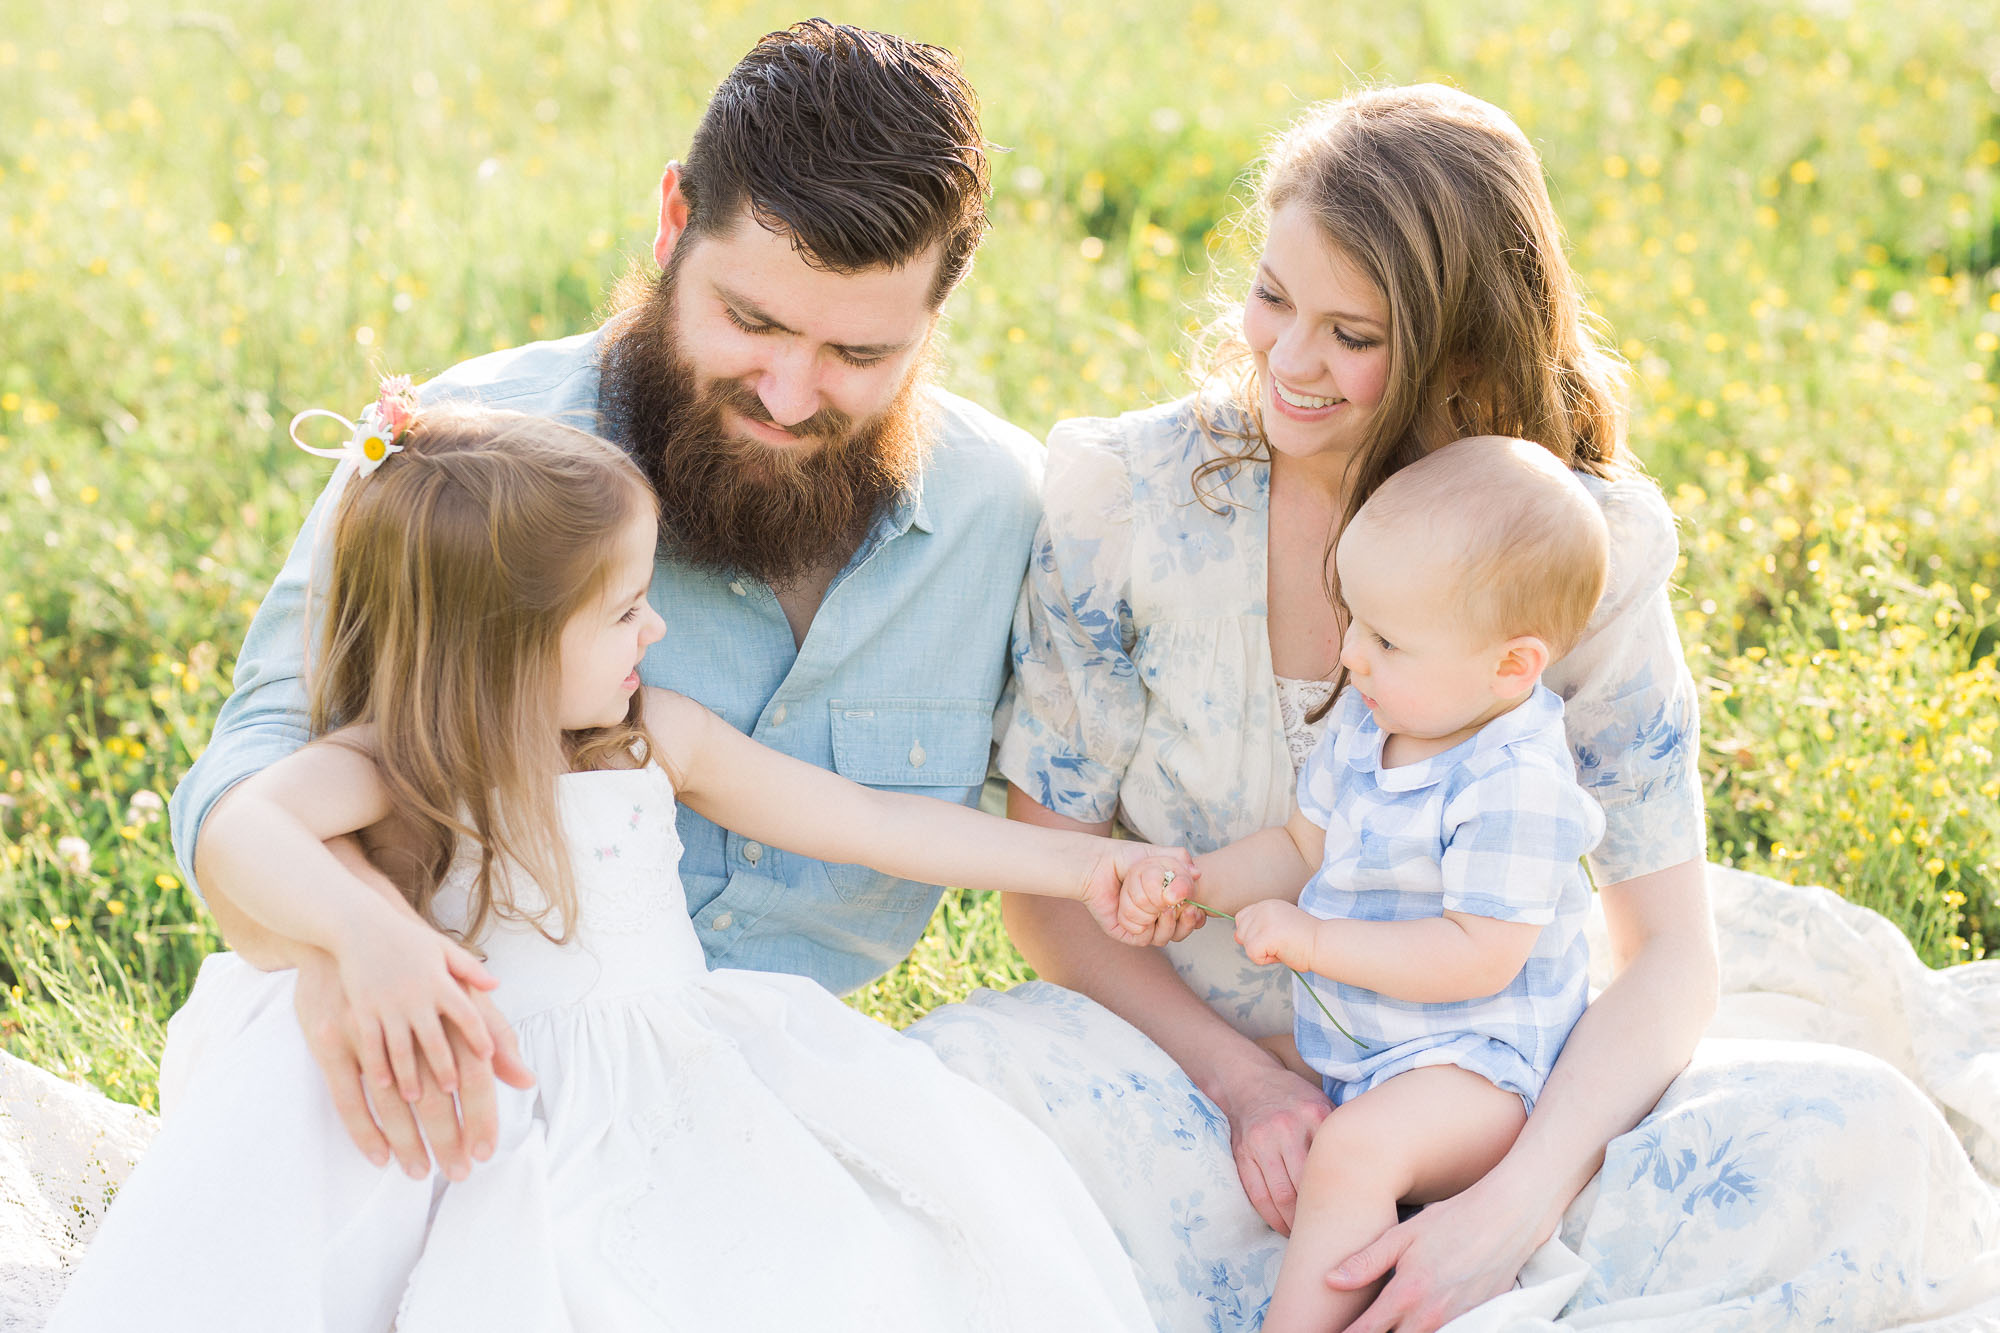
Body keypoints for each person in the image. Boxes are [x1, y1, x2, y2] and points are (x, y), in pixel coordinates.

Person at [54, 401, 1177, 1331]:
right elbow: (249, 826)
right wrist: (368, 933)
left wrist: (1081, 870)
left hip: (658, 1079)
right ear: (498, 646)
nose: (653, 634)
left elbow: (862, 819)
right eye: (626, 610)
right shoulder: (401, 765)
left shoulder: (653, 735)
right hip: (463, 1107)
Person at [165, 19, 1048, 1182]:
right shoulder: (470, 465)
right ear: (672, 222)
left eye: (857, 353)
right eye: (752, 322)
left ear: (935, 315)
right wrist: (348, 937)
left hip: (785, 1102)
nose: (788, 395)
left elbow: (1049, 828)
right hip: (473, 1097)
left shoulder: (1005, 516)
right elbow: (252, 771)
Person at [918, 83, 1719, 1330]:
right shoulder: (1127, 502)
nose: (1288, 361)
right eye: (1273, 298)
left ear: (1462, 350)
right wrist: (1245, 1084)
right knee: (956, 1118)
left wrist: (1505, 1205)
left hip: (1482, 1100)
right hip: (1179, 1063)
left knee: (1839, 1148)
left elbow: (1666, 947)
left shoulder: (1563, 542)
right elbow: (1047, 889)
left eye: (1352, 333)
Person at [1117, 435, 1611, 1331]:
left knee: (1353, 1152)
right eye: (1355, 621)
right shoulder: (1371, 720)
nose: (1350, 655)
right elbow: (1303, 848)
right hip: (1369, 1042)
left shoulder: (1515, 781)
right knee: (1194, 1076)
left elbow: (1478, 957)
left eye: (1387, 639)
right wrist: (1197, 883)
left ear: (1512, 666)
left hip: (1478, 1070)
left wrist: (1312, 941)